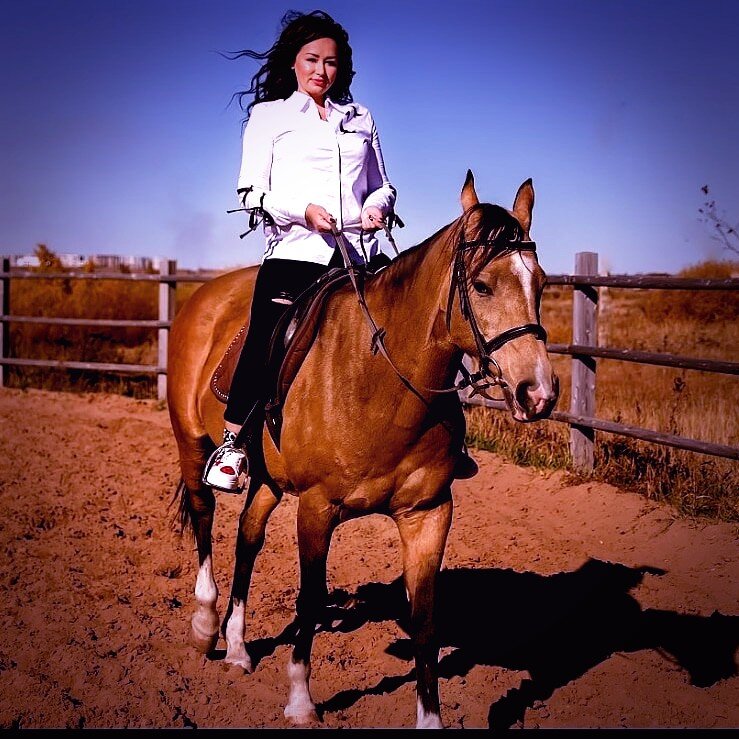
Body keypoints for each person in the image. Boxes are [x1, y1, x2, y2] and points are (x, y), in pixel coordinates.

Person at [203, 9, 397, 492]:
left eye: (331, 63)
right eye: (311, 59)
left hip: (356, 255)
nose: (320, 71)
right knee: (266, 335)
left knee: (413, 318)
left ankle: (434, 439)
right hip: (295, 252)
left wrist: (375, 207)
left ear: (341, 69)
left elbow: (382, 185)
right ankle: (233, 444)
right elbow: (250, 192)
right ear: (294, 62)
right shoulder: (269, 118)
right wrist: (303, 211)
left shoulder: (361, 119)